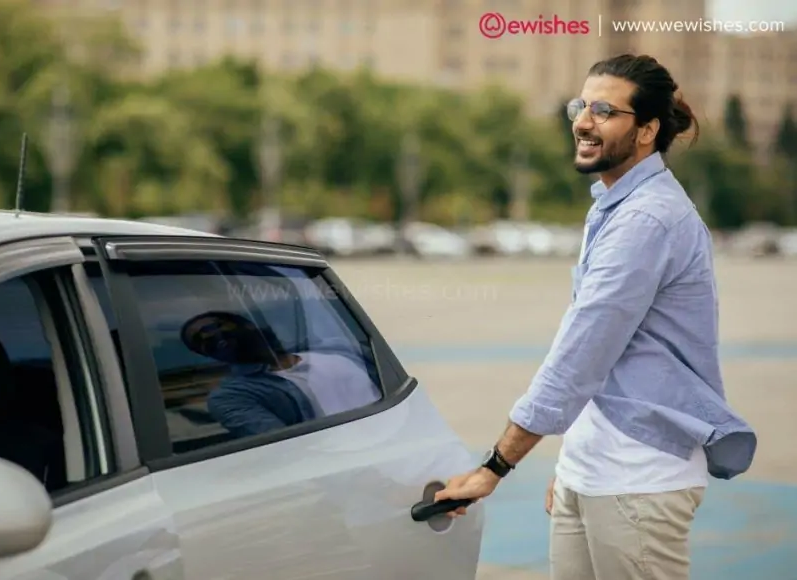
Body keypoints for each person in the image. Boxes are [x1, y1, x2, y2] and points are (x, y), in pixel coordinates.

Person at [434, 54, 757, 580]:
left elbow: (582, 350)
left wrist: (496, 465)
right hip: (594, 470)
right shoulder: (613, 204)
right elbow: (608, 358)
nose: (583, 122)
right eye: (581, 107)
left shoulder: (647, 218)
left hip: (639, 478)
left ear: (647, 130)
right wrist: (575, 461)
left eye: (604, 111)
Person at [180, 310, 380, 439]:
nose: (208, 336)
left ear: (248, 325)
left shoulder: (337, 346)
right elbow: (286, 448)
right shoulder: (232, 396)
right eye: (200, 342)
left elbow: (392, 379)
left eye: (212, 327)